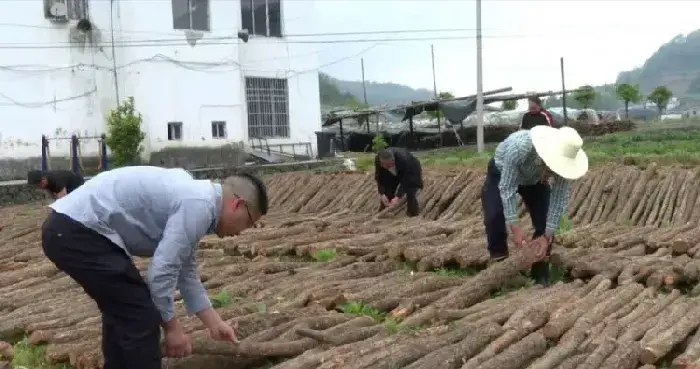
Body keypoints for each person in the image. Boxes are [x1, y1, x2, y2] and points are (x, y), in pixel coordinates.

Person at [41, 166, 268, 369]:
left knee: (125, 311)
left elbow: (185, 271)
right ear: (237, 204)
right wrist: (172, 329)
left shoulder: (197, 199)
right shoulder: (198, 203)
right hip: (77, 230)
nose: (242, 231)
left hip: (73, 230)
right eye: (249, 222)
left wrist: (214, 324)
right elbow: (162, 272)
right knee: (141, 315)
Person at [481, 125, 588, 286]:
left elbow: (558, 199)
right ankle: (500, 263)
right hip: (502, 173)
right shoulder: (520, 148)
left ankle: (540, 271)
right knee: (494, 215)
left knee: (544, 221)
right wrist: (515, 229)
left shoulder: (563, 165)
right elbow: (507, 188)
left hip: (535, 180)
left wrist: (547, 236)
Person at [375, 147, 423, 217]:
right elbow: (379, 177)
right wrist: (382, 194)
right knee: (388, 189)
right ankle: (383, 212)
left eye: (390, 165)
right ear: (381, 163)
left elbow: (406, 180)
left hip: (412, 169)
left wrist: (398, 197)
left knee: (411, 191)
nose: (388, 167)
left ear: (393, 160)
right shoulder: (378, 160)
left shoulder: (404, 160)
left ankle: (412, 214)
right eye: (386, 166)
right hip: (398, 169)